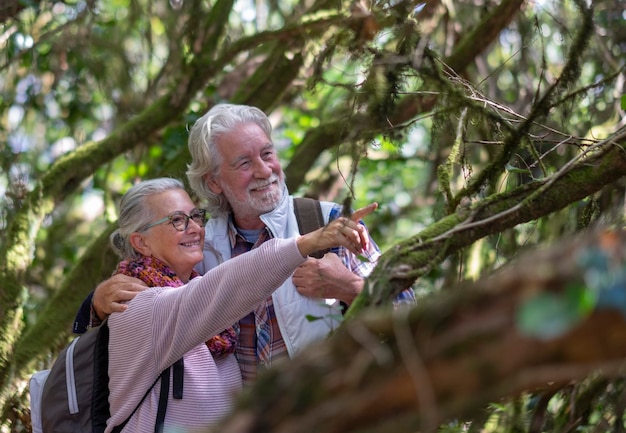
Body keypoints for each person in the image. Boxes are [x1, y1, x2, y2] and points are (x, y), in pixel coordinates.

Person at [80, 103, 415, 384]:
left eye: (267, 153)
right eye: (243, 162)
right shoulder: (199, 247)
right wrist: (96, 304)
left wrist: (349, 285)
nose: (263, 170)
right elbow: (149, 312)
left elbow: (411, 314)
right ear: (213, 181)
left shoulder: (327, 222)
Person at [99, 177, 374, 432]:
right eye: (177, 220)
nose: (195, 228)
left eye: (196, 216)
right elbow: (227, 286)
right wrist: (306, 243)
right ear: (141, 242)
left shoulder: (190, 291)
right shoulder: (136, 306)